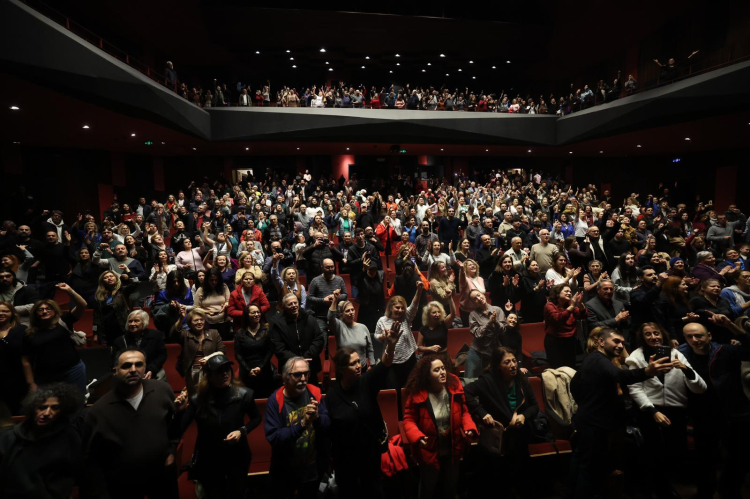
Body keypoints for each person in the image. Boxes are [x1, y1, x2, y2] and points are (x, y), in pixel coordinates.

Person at [570, 327, 674, 499]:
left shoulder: (594, 360)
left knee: (582, 463)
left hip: (589, 421)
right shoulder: (598, 358)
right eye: (616, 341)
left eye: (622, 342)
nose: (620, 345)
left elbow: (575, 386)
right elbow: (621, 376)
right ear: (601, 342)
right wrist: (647, 371)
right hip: (593, 424)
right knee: (589, 469)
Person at [82, 348, 182, 499]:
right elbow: (91, 459)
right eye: (126, 365)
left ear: (145, 367)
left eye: (138, 364)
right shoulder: (99, 410)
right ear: (115, 371)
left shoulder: (162, 390)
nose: (133, 370)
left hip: (161, 474)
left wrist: (172, 450)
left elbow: (172, 424)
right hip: (123, 482)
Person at [625, 323, 706, 498]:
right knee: (653, 452)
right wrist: (652, 411)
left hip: (676, 410)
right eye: (648, 334)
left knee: (675, 452)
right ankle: (656, 490)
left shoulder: (676, 354)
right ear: (642, 338)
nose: (653, 337)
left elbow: (701, 388)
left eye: (656, 333)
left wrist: (686, 370)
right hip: (649, 410)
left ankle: (667, 487)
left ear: (663, 335)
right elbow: (635, 388)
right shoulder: (636, 357)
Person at [325, 323, 402, 497]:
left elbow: (384, 365)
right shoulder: (332, 396)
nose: (359, 365)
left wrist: (391, 345)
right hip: (346, 459)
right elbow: (330, 430)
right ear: (342, 370)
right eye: (352, 364)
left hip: (370, 454)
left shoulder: (366, 382)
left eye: (358, 361)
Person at [678, 321, 750, 499]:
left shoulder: (725, 351)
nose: (695, 340)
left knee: (736, 456)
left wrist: (731, 325)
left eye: (699, 335)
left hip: (731, 411)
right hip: (702, 413)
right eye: (689, 337)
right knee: (705, 457)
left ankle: (729, 490)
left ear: (709, 335)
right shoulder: (680, 354)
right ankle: (705, 491)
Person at [176, 353, 261, 499]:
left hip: (237, 455)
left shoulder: (244, 394)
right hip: (209, 458)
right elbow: (178, 430)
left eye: (227, 370)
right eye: (219, 371)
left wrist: (242, 431)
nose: (224, 374)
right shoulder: (197, 400)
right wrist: (179, 411)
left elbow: (257, 418)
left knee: (237, 493)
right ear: (209, 376)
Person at [464, 347, 538, 496]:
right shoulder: (488, 381)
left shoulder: (521, 379)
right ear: (498, 366)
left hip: (520, 433)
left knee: (522, 473)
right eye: (507, 362)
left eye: (514, 361)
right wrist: (481, 412)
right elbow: (466, 392)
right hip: (498, 435)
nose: (513, 365)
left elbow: (534, 406)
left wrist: (524, 416)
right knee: (499, 479)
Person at [403, 355, 477, 499]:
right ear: (428, 376)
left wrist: (469, 427)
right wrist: (417, 436)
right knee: (428, 486)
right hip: (429, 448)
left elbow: (464, 412)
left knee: (451, 485)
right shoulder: (418, 392)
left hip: (452, 447)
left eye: (443, 368)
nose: (442, 372)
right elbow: (409, 419)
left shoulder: (454, 385)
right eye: (436, 370)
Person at [0, 382, 84, 498]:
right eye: (42, 407)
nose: (47, 413)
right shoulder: (10, 437)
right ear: (33, 408)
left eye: (55, 408)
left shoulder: (69, 436)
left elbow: (76, 473)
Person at [265, 357, 330, 499]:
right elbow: (274, 437)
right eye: (297, 375)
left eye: (306, 374)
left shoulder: (314, 392)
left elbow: (327, 425)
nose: (303, 379)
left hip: (311, 469)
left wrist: (317, 418)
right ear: (285, 378)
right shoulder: (275, 400)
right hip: (285, 471)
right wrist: (302, 424)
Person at [21, 283, 88, 394]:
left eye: (48, 308)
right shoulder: (29, 333)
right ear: (35, 313)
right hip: (46, 376)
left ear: (55, 311)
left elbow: (82, 305)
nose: (44, 311)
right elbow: (26, 360)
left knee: (75, 401)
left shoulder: (63, 322)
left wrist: (69, 290)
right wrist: (31, 383)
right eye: (40, 310)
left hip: (72, 371)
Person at [374, 281, 425, 388]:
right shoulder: (382, 320)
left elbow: (414, 305)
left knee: (411, 386)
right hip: (391, 360)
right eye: (397, 307)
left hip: (408, 358)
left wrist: (419, 291)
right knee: (394, 387)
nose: (400, 310)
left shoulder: (406, 317)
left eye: (402, 308)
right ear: (391, 308)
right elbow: (376, 336)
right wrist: (382, 336)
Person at [269, 293, 325, 383]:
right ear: (284, 307)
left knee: (312, 390)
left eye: (295, 303)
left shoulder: (309, 318)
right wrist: (297, 360)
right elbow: (278, 347)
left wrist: (307, 356)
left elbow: (319, 339)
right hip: (290, 368)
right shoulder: (277, 323)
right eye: (290, 304)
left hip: (310, 365)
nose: (294, 305)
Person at [170, 308, 225, 396]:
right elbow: (173, 334)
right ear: (190, 323)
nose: (199, 322)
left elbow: (222, 351)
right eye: (196, 320)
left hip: (211, 369)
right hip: (192, 371)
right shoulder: (185, 334)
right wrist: (181, 318)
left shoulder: (214, 333)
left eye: (201, 320)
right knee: (195, 396)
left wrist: (209, 358)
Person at [111, 309, 167, 381]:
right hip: (130, 373)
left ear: (144, 323)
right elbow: (115, 360)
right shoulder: (120, 340)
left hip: (152, 371)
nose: (132, 324)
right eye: (130, 321)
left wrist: (151, 370)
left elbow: (162, 355)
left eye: (136, 321)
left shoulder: (156, 335)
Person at [543, 284, 588, 368]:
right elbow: (558, 319)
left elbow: (583, 315)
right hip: (555, 341)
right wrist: (572, 306)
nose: (569, 293)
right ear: (557, 293)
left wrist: (580, 304)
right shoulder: (549, 306)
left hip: (570, 341)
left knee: (570, 367)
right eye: (566, 291)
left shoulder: (569, 304)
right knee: (557, 368)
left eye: (570, 292)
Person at [328, 289, 375, 368]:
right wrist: (335, 300)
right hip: (345, 369)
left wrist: (372, 364)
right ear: (342, 314)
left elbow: (370, 348)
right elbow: (330, 317)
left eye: (352, 310)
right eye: (347, 311)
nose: (351, 312)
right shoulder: (339, 326)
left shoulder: (363, 327)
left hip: (361, 368)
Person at [466, 289, 507, 378]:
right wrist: (489, 323)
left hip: (493, 351)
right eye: (475, 299)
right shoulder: (473, 315)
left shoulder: (497, 310)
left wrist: (496, 322)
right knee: (470, 379)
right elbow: (477, 334)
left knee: (493, 378)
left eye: (478, 295)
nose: (479, 298)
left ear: (483, 294)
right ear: (473, 303)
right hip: (477, 352)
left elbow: (503, 330)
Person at [306, 258, 348, 333]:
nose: (330, 269)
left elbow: (345, 295)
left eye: (332, 267)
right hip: (320, 316)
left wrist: (336, 297)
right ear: (322, 267)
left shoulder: (339, 279)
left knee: (341, 336)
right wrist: (323, 300)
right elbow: (309, 297)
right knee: (321, 337)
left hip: (336, 316)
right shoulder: (315, 281)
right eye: (328, 267)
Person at [0, 302, 27, 415]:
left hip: (17, 377)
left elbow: (26, 357)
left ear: (12, 313)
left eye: (5, 311)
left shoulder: (22, 330)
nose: (1, 313)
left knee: (17, 410)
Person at [417, 296, 457, 373]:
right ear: (428, 314)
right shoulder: (423, 329)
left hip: (443, 357)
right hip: (429, 358)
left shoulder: (444, 324)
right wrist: (430, 348)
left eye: (439, 312)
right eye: (434, 312)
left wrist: (450, 298)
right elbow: (419, 347)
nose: (437, 314)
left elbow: (453, 314)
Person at [92, 270, 131, 346]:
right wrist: (95, 333)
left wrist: (129, 275)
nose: (109, 278)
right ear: (102, 281)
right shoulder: (99, 296)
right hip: (108, 330)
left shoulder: (123, 291)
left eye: (111, 276)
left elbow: (135, 284)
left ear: (116, 278)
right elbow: (96, 317)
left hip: (123, 327)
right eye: (106, 277)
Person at [193, 267, 232, 340]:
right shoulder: (201, 289)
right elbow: (195, 308)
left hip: (223, 321)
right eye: (211, 280)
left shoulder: (224, 287)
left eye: (216, 280)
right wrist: (207, 311)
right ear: (207, 279)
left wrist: (226, 304)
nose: (214, 282)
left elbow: (228, 301)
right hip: (207, 322)